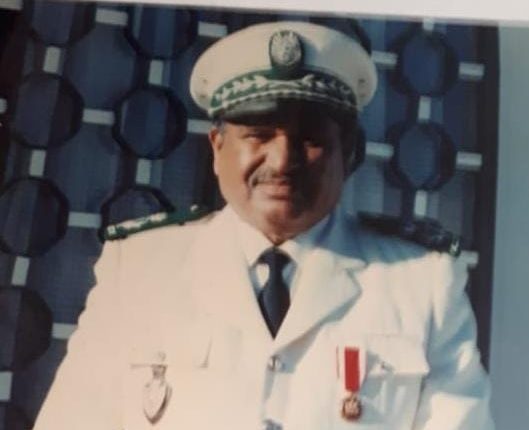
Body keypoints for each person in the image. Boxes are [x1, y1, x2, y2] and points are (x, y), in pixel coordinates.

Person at [34, 21, 494, 430]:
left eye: (310, 139)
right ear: (217, 147)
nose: (282, 160)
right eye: (258, 135)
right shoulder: (140, 269)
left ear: (349, 152)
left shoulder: (420, 281)